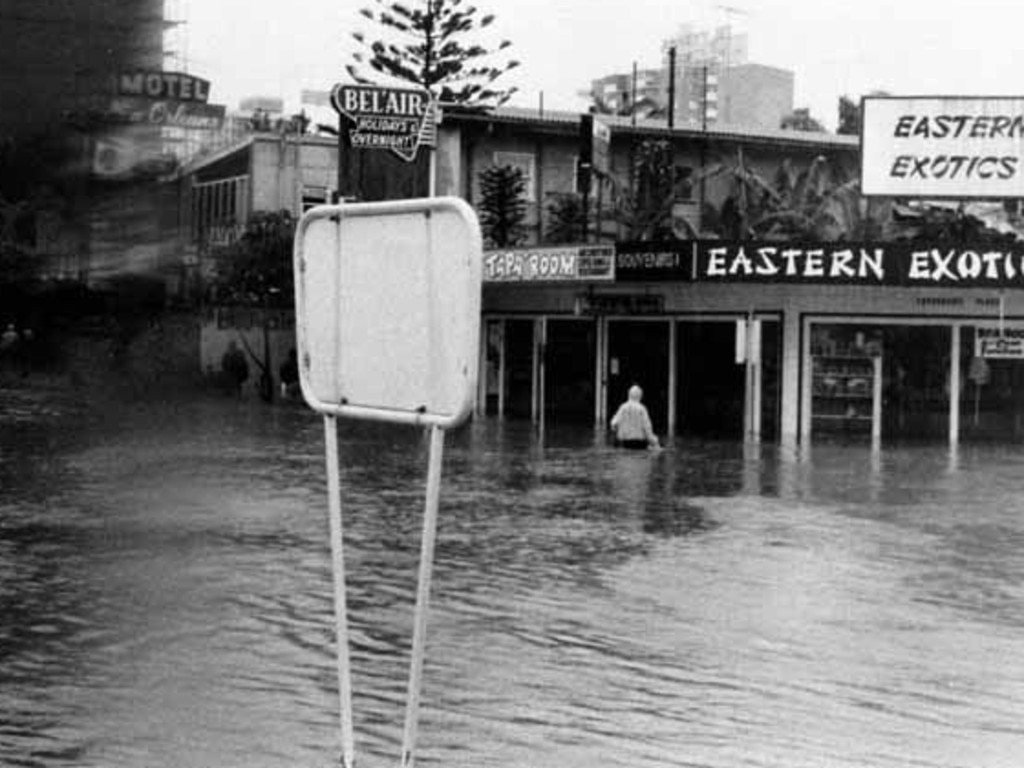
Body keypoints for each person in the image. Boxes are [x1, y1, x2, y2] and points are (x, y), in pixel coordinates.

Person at [610, 384, 660, 450]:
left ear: (629, 394)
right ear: (640, 396)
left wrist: (617, 433)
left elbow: (614, 424)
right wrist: (655, 442)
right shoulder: (642, 409)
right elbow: (647, 429)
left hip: (624, 443)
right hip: (640, 444)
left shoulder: (623, 408)